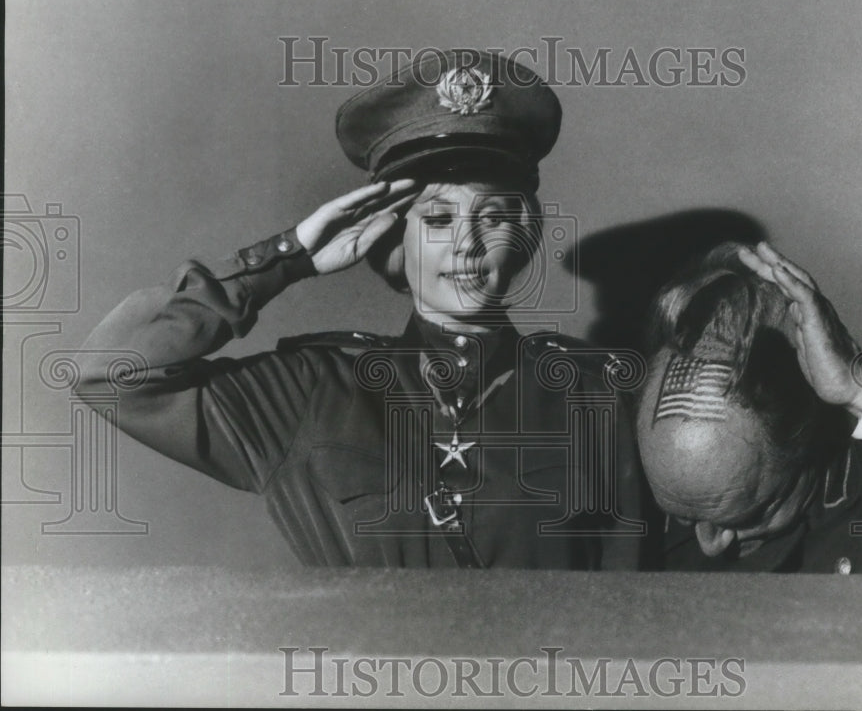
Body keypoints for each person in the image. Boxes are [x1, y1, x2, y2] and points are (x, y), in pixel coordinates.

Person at [74, 49, 647, 568]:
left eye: (494, 218)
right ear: (391, 240)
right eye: (439, 220)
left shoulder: (595, 393)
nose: (467, 246)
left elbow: (644, 596)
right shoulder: (311, 392)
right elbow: (111, 374)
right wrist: (287, 257)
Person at [635, 241, 862, 574]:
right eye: (682, 516)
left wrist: (861, 391)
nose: (709, 546)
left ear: (810, 434)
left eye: (750, 514)